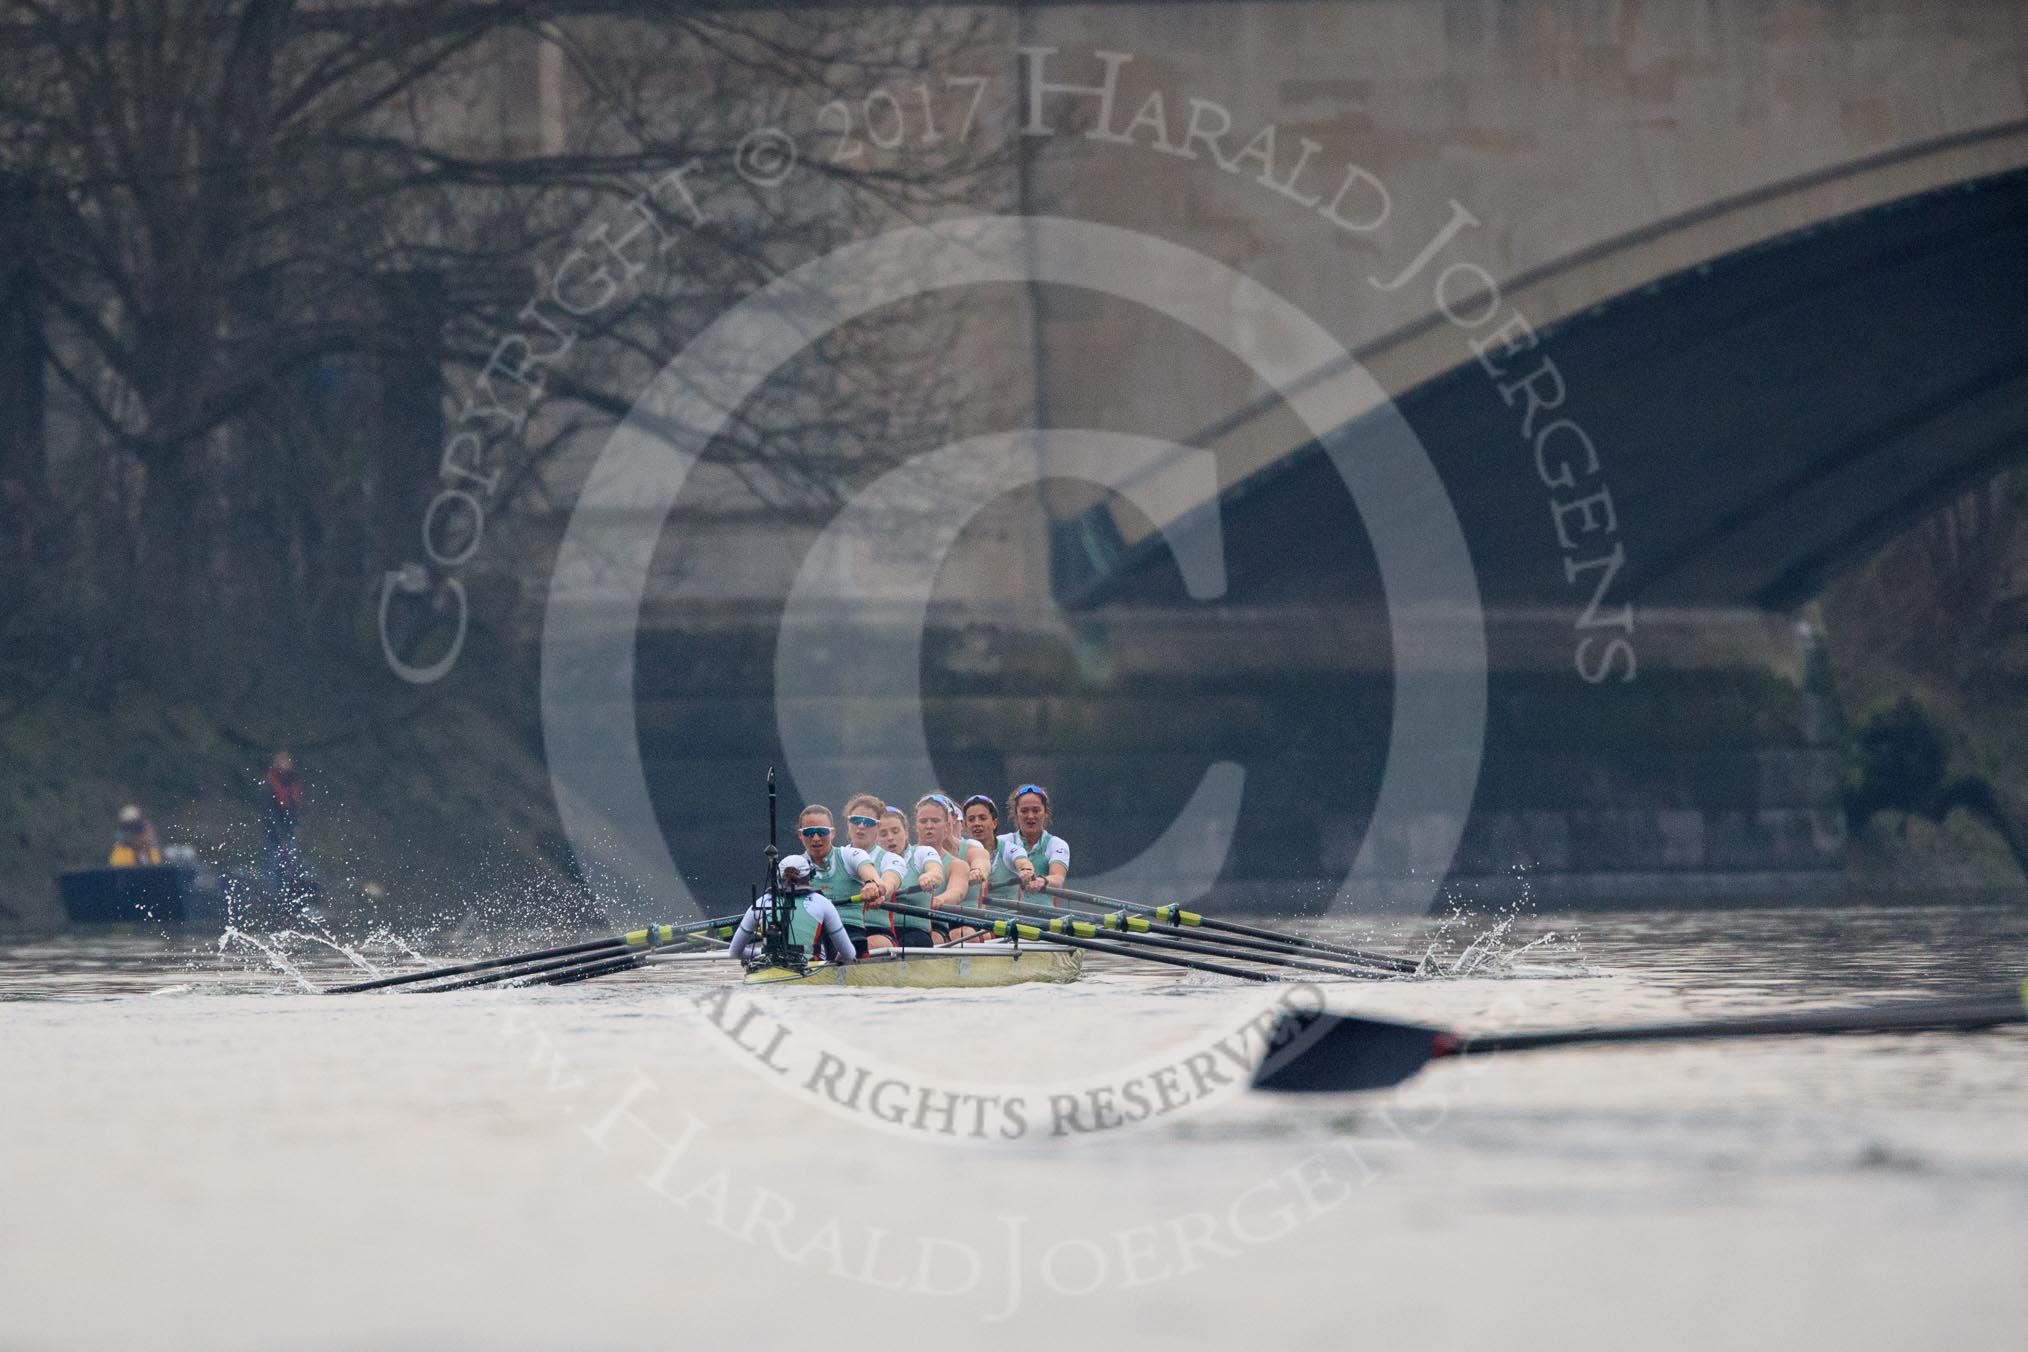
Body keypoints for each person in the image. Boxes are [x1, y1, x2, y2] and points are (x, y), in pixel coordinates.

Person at [725, 855, 855, 968]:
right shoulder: (822, 903)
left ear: (777, 877)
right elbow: (849, 953)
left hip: (769, 967)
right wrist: (835, 963)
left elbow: (734, 952)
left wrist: (766, 953)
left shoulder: (760, 902)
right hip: (810, 970)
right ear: (810, 877)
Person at [796, 804, 891, 954]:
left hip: (848, 930)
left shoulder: (851, 855)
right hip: (811, 931)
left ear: (832, 833)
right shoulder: (794, 866)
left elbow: (874, 877)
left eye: (822, 832)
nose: (816, 838)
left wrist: (872, 884)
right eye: (809, 832)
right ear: (800, 835)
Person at [914, 794, 985, 943]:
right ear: (916, 826)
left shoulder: (961, 860)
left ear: (949, 824)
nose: (929, 826)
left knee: (962, 934)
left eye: (935, 821)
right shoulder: (903, 857)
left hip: (949, 923)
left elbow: (956, 893)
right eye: (923, 821)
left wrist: (940, 899)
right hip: (909, 924)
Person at [992, 783, 1070, 906]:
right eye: (1024, 811)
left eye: (1036, 810)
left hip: (1043, 918)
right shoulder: (1002, 842)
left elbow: (1058, 878)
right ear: (1016, 814)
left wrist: (1041, 881)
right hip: (1007, 916)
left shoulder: (1056, 844)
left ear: (1045, 813)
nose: (1030, 816)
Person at [262, 751, 306, 898]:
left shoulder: (293, 781)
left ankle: (290, 895)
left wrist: (295, 827)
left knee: (291, 861)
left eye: (287, 761)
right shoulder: (270, 784)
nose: (286, 764)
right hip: (274, 828)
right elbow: (269, 811)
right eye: (282, 761)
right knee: (274, 861)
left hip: (290, 827)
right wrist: (279, 833)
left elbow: (296, 808)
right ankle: (273, 895)